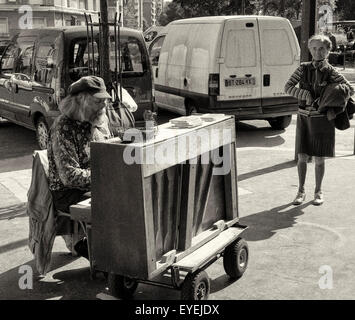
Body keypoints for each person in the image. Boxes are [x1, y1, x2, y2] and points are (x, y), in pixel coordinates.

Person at [284, 34, 354, 206]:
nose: (317, 52)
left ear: (328, 51)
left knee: (319, 158)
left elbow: (349, 89)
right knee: (302, 156)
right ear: (309, 50)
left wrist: (330, 97)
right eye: (314, 48)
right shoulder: (303, 68)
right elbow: (287, 87)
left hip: (322, 120)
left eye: (322, 48)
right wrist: (305, 94)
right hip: (303, 118)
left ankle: (318, 191)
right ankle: (300, 191)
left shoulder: (332, 72)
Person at [47, 75, 112, 257]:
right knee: (115, 201)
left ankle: (115, 251)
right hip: (68, 192)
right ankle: (99, 252)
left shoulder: (97, 119)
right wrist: (104, 177)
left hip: (95, 183)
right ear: (81, 100)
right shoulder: (63, 127)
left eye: (105, 101)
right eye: (98, 102)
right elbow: (69, 176)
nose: (104, 106)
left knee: (130, 194)